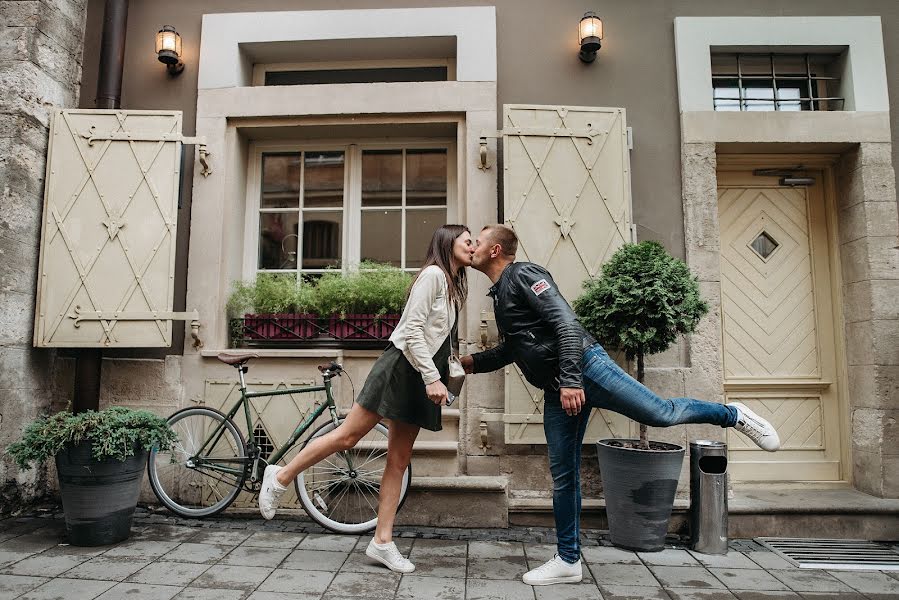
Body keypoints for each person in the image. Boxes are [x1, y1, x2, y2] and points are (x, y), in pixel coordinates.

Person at [461, 224, 780, 587]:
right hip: (559, 389)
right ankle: (568, 560)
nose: (471, 246)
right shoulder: (501, 292)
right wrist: (472, 363)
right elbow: (515, 348)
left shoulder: (524, 274)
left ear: (495, 250)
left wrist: (570, 379)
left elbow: (566, 323)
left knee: (659, 413)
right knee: (564, 476)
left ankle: (733, 415)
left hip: (585, 369)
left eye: (478, 240)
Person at [258, 225, 474, 574]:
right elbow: (412, 329)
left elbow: (440, 338)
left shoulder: (452, 285)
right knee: (349, 435)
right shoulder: (433, 275)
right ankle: (280, 476)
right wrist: (432, 376)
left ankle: (382, 542)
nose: (474, 246)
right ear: (449, 243)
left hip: (418, 377)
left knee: (398, 461)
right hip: (401, 369)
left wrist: (447, 373)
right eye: (468, 241)